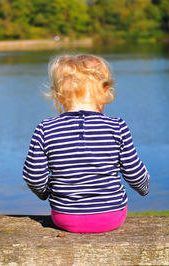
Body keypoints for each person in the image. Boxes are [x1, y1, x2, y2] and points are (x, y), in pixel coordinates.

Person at [23, 54, 150, 233]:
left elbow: (33, 177)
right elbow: (134, 173)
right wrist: (144, 188)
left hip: (65, 217)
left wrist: (46, 193)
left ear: (58, 95)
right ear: (105, 92)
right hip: (111, 216)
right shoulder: (117, 127)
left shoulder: (46, 129)